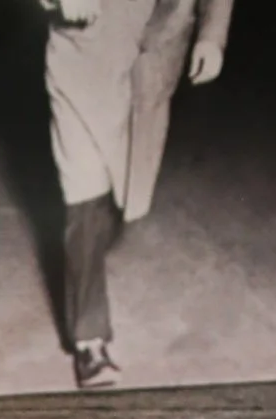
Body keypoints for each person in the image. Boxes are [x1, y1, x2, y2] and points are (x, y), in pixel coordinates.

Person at [43, 0, 234, 389]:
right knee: (84, 191)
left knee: (127, 188)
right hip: (84, 50)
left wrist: (212, 35)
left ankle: (94, 245)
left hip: (155, 53)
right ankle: (90, 340)